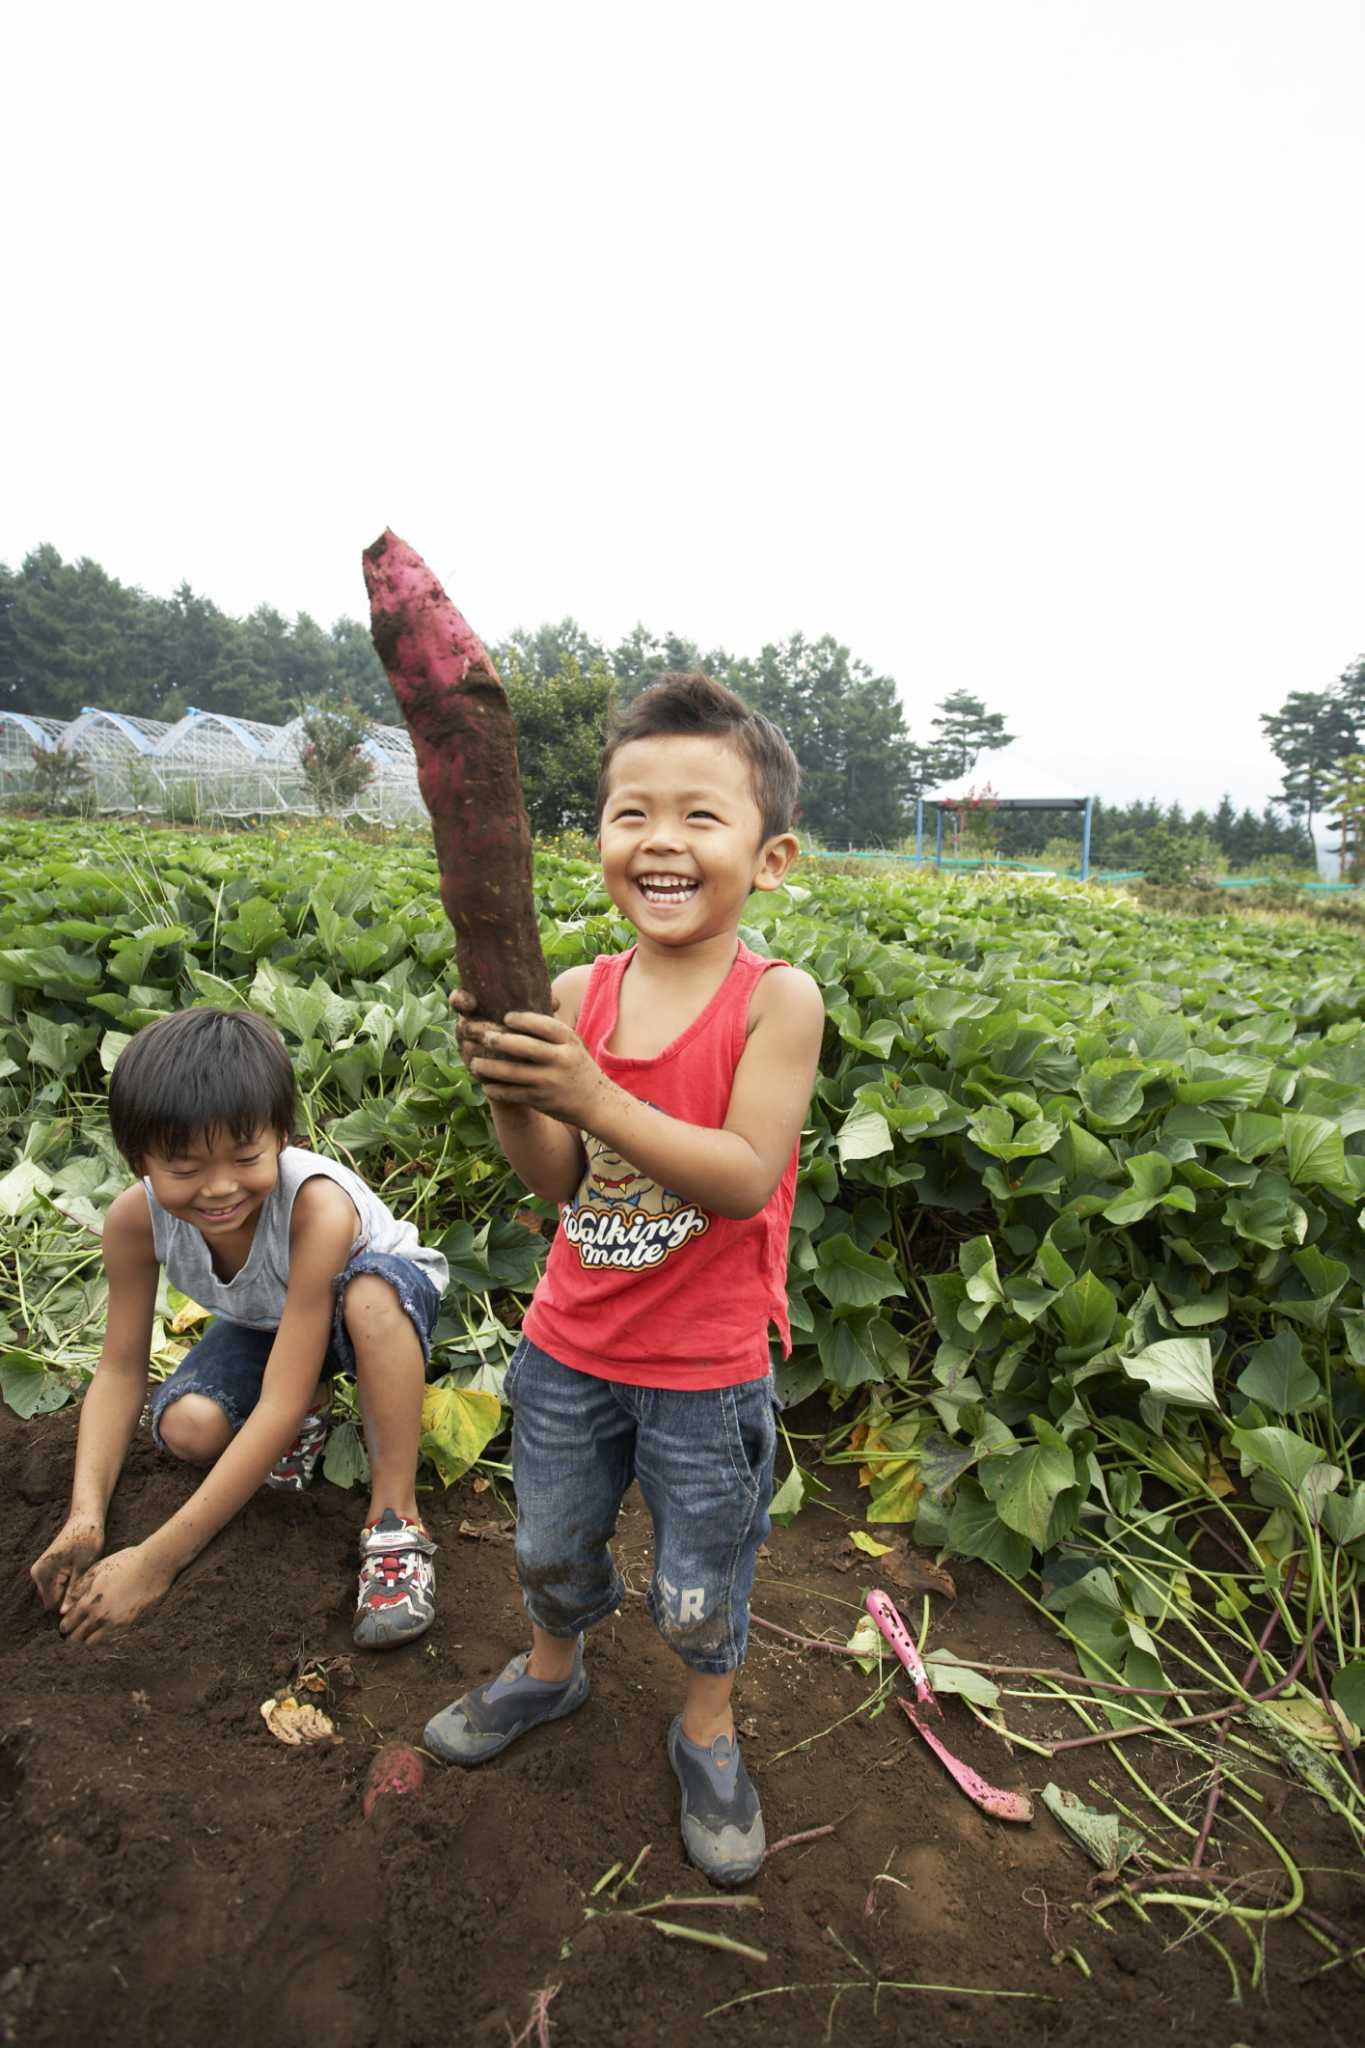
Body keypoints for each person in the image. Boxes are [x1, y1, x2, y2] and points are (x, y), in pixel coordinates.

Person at [424, 672, 824, 1886]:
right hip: (569, 1344)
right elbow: (560, 1176)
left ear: (772, 857)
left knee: (702, 1578)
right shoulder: (573, 994)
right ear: (596, 834)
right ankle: (553, 1669)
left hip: (706, 1369)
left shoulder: (777, 1002)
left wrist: (592, 1091)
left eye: (702, 815)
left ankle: (706, 1723)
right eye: (631, 812)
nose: (661, 840)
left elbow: (744, 1176)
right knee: (550, 1542)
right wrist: (514, 1091)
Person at [29, 1007, 449, 1650]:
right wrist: (84, 1516)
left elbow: (276, 1399)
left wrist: (156, 1561)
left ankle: (396, 1520)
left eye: (246, 1156)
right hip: (268, 1322)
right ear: (138, 1160)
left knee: (369, 1299)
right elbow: (117, 1370)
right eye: (184, 1168)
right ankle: (315, 1412)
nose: (219, 1188)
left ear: (281, 1137)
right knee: (187, 1428)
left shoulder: (317, 1207)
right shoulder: (134, 1223)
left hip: (378, 1312)